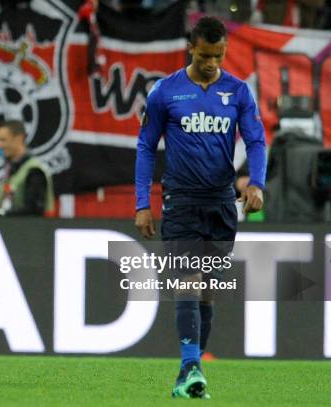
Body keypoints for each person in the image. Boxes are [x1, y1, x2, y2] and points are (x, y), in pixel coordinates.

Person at [134, 16, 266, 399]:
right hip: (181, 201)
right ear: (191, 48)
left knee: (207, 292)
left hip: (221, 201)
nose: (212, 63)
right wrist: (143, 203)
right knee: (187, 283)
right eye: (206, 55)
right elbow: (145, 147)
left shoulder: (238, 91)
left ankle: (187, 374)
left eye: (219, 55)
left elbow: (256, 140)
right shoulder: (166, 92)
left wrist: (256, 182)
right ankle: (192, 365)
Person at [0, 120, 54, 217]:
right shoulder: (13, 168)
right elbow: (10, 203)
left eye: (3, 140)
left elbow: (34, 211)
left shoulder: (34, 171)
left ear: (19, 139)